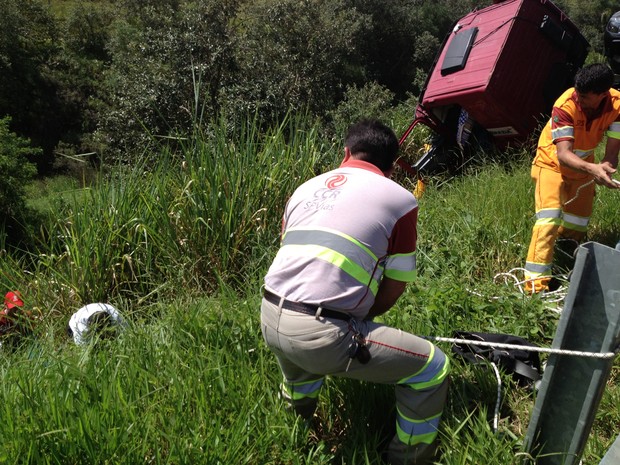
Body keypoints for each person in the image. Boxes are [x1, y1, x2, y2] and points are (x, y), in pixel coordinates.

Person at [260, 119, 450, 465]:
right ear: (392, 165)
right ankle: (409, 458)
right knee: (433, 368)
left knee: (301, 372)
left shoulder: (304, 188)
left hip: (269, 314)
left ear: (345, 152)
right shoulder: (400, 199)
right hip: (320, 333)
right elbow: (396, 283)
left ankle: (295, 431)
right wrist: (360, 321)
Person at [524, 63, 620, 293]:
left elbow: (612, 151)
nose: (579, 98)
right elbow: (564, 155)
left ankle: (567, 256)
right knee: (550, 216)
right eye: (577, 92)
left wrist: (605, 168)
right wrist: (593, 169)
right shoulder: (564, 105)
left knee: (578, 219)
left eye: (585, 96)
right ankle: (534, 288)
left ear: (602, 94)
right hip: (551, 163)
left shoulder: (617, 105)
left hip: (584, 165)